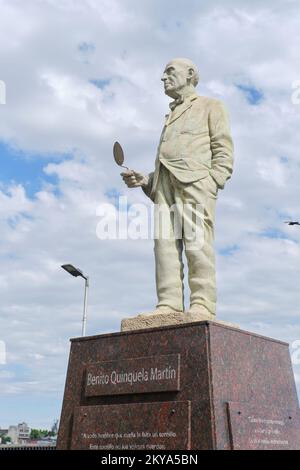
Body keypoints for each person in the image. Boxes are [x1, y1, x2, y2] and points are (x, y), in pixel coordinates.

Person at [121, 58, 233, 320]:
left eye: (169, 71)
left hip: (196, 183)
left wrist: (212, 181)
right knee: (164, 246)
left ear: (190, 74)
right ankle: (169, 303)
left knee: (197, 242)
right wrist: (147, 181)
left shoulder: (211, 106)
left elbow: (223, 149)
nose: (163, 77)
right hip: (164, 184)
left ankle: (202, 304)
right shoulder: (170, 114)